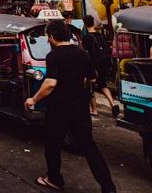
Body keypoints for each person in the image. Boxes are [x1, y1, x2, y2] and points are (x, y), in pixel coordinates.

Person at [25, 20, 116, 193]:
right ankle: (108, 187)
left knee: (52, 144)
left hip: (59, 108)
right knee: (89, 147)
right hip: (80, 107)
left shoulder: (54, 56)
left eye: (47, 37)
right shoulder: (83, 54)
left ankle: (54, 179)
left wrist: (33, 99)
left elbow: (50, 84)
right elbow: (93, 78)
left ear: (51, 37)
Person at [82, 15, 119, 117]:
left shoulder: (87, 38)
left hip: (93, 65)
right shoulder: (100, 35)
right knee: (103, 85)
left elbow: (86, 54)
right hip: (103, 64)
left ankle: (94, 109)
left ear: (84, 24)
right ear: (93, 23)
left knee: (89, 87)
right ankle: (112, 103)